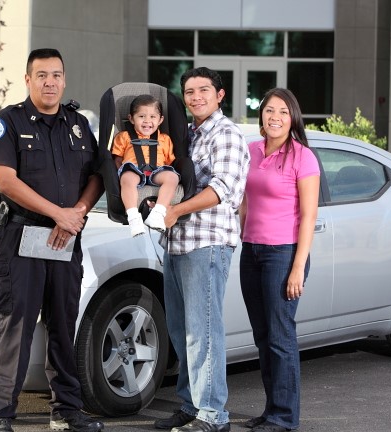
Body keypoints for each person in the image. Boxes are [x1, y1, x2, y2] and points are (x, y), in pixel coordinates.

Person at [0, 48, 105, 432]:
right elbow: (7, 181)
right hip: (21, 237)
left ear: (65, 80)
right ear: (28, 79)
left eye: (56, 75)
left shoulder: (79, 124)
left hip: (66, 236)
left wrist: (76, 213)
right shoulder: (8, 122)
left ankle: (66, 410)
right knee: (16, 325)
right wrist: (57, 213)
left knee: (64, 324)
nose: (50, 82)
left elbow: (97, 176)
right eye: (42, 75)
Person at [153, 67, 250, 432]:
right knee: (181, 331)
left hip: (206, 243)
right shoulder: (186, 135)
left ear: (219, 95)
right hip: (177, 243)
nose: (195, 97)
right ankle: (191, 405)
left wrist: (174, 210)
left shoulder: (225, 134)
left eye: (203, 90)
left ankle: (212, 415)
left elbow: (223, 189)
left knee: (203, 331)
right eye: (189, 91)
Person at [238, 88, 320, 432]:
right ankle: (272, 409)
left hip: (283, 254)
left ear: (293, 118)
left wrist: (298, 266)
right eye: (269, 110)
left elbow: (309, 215)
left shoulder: (303, 157)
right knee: (262, 335)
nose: (275, 117)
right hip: (251, 251)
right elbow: (243, 201)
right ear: (261, 116)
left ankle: (284, 417)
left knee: (280, 336)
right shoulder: (251, 150)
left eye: (283, 112)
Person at [111, 94, 180, 237]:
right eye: (141, 116)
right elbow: (117, 159)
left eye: (153, 117)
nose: (147, 121)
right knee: (128, 177)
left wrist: (166, 174)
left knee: (172, 177)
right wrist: (121, 174)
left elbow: (169, 162)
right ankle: (133, 216)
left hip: (157, 171)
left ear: (160, 120)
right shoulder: (124, 136)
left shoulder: (165, 139)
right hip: (133, 169)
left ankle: (158, 213)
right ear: (131, 118)